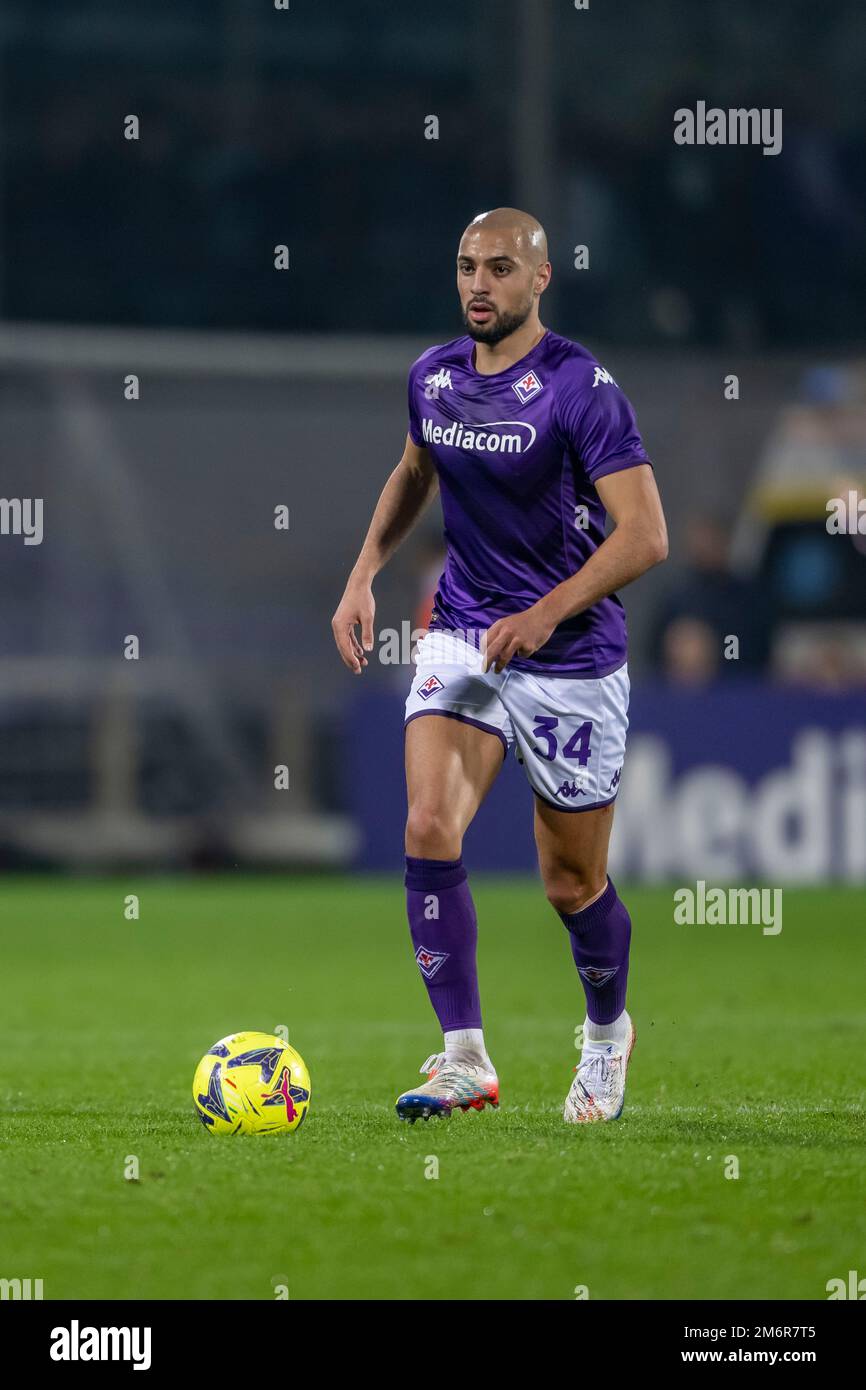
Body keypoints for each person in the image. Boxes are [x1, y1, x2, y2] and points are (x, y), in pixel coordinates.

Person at [332, 208, 668, 1124]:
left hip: (571, 655)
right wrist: (364, 574)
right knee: (430, 821)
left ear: (540, 280)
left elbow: (646, 535)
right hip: (467, 630)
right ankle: (464, 1059)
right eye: (467, 267)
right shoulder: (432, 377)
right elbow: (414, 473)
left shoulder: (581, 388)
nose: (480, 284)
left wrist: (547, 611)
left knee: (570, 883)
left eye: (500, 269)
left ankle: (605, 1037)